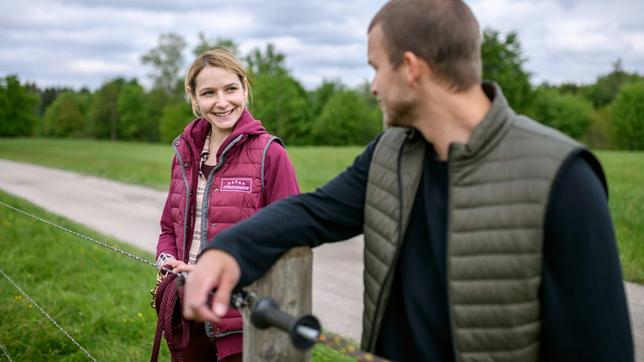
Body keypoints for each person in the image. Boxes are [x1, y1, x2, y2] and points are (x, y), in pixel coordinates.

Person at [183, 1, 634, 361]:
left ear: (412, 68)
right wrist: (228, 251)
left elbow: (599, 346)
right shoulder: (390, 153)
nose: (374, 85)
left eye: (376, 67)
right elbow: (313, 211)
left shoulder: (564, 176)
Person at [151, 48, 299, 362]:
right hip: (188, 309)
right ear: (194, 98)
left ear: (244, 87)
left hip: (243, 316)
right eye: (208, 93)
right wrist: (166, 261)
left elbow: (291, 240)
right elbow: (169, 227)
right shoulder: (184, 155)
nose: (221, 102)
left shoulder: (270, 154)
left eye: (230, 89)